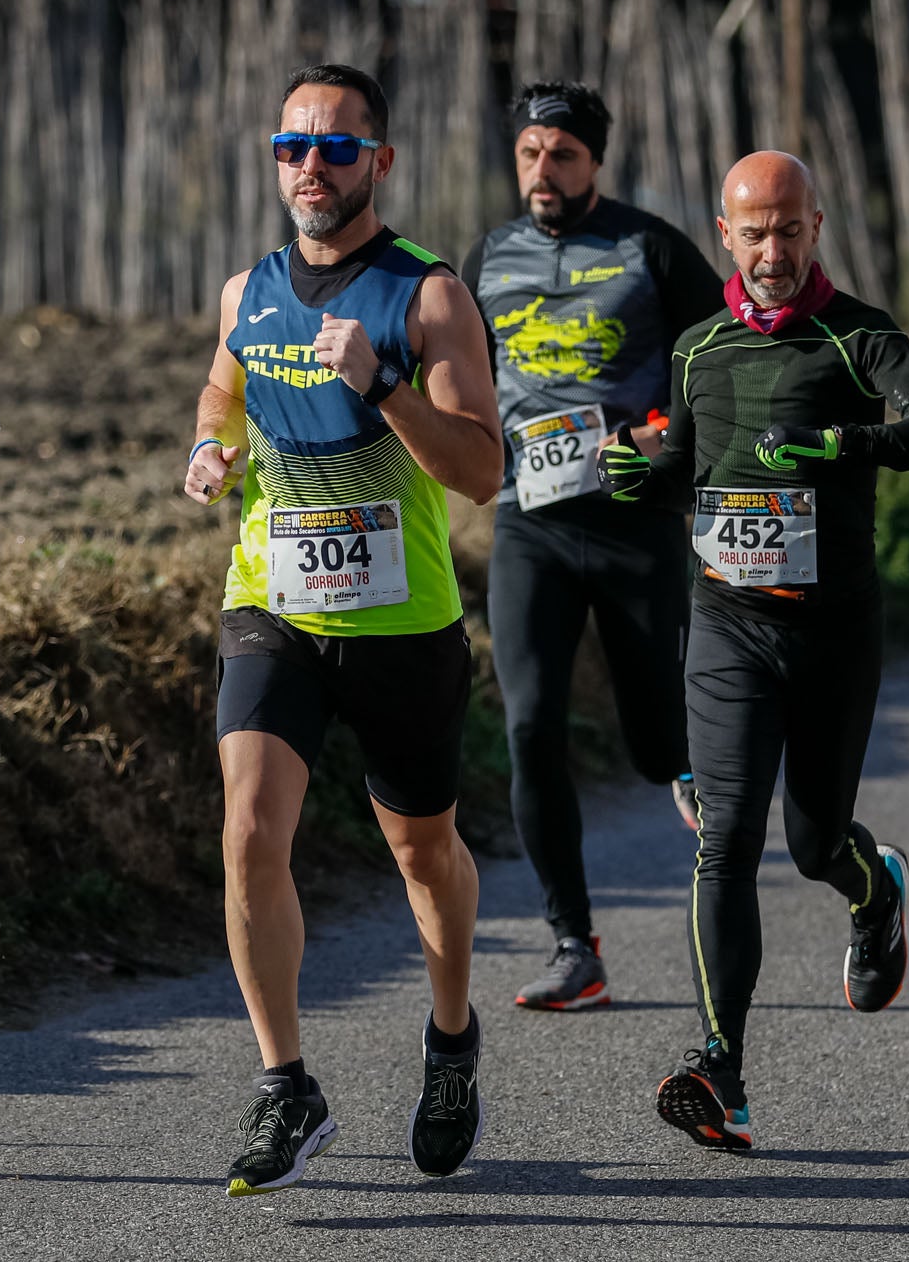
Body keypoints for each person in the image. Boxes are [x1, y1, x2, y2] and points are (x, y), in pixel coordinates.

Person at [604, 152, 909, 1152]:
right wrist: (635, 475)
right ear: (724, 234)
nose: (772, 251)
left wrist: (849, 445)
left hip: (832, 631)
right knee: (724, 836)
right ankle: (719, 1067)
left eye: (790, 230)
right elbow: (689, 470)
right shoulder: (697, 348)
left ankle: (877, 888)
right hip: (726, 622)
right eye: (753, 232)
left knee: (815, 842)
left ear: (818, 225)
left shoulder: (858, 337)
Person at [184, 61, 506, 1194]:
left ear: (380, 159)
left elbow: (482, 474)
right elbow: (222, 392)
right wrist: (208, 453)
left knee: (422, 850)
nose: (309, 166)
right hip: (269, 601)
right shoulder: (247, 291)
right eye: (291, 146)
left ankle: (452, 1040)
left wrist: (386, 390)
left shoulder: (427, 297)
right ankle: (287, 1086)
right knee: (248, 833)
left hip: (402, 622)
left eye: (333, 147)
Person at [460, 80, 722, 1012]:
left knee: (658, 744)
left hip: (635, 521)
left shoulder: (650, 246)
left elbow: (722, 357)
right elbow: (460, 374)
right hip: (531, 522)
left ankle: (696, 784)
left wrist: (663, 436)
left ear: (594, 161)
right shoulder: (488, 256)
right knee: (530, 728)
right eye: (530, 152)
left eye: (562, 154)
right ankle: (574, 943)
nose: (544, 170)